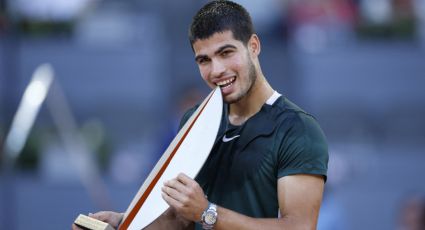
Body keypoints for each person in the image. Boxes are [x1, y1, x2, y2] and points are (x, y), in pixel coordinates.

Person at [73, 1, 328, 229]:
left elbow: (299, 227)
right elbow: (179, 217)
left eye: (226, 53)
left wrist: (207, 213)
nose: (216, 70)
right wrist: (124, 222)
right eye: (204, 60)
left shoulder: (299, 129)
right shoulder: (195, 120)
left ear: (253, 46)